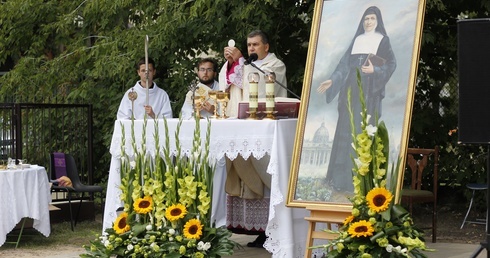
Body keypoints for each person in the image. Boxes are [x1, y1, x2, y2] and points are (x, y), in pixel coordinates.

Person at [317, 6, 396, 192]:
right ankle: (338, 180)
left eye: (372, 18)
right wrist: (333, 80)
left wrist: (375, 70)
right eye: (366, 19)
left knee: (362, 129)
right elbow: (344, 66)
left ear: (378, 21)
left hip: (368, 92)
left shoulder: (383, 41)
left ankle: (360, 181)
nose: (368, 22)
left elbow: (391, 64)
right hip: (350, 90)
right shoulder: (357, 40)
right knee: (345, 129)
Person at [218, 30, 288, 118]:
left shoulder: (276, 65)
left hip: (264, 118)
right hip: (237, 118)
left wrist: (240, 61)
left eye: (255, 44)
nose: (251, 48)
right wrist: (231, 63)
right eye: (249, 45)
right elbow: (224, 82)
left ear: (266, 47)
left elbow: (262, 85)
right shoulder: (245, 64)